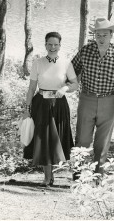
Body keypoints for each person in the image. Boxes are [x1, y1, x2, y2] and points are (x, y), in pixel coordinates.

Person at [71, 17, 114, 175]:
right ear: (94, 36)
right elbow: (71, 69)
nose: (101, 38)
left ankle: (98, 177)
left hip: (109, 101)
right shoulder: (86, 51)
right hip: (87, 99)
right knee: (82, 140)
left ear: (111, 35)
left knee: (102, 143)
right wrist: (62, 86)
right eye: (98, 35)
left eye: (104, 35)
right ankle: (78, 176)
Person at [23, 32, 78, 186]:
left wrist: (65, 88)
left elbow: (75, 84)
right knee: (44, 139)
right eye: (49, 44)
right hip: (41, 104)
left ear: (60, 45)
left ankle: (51, 175)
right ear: (45, 45)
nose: (52, 47)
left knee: (57, 139)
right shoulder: (37, 63)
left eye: (56, 44)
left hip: (59, 105)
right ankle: (47, 177)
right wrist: (27, 109)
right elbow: (31, 88)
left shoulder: (66, 63)